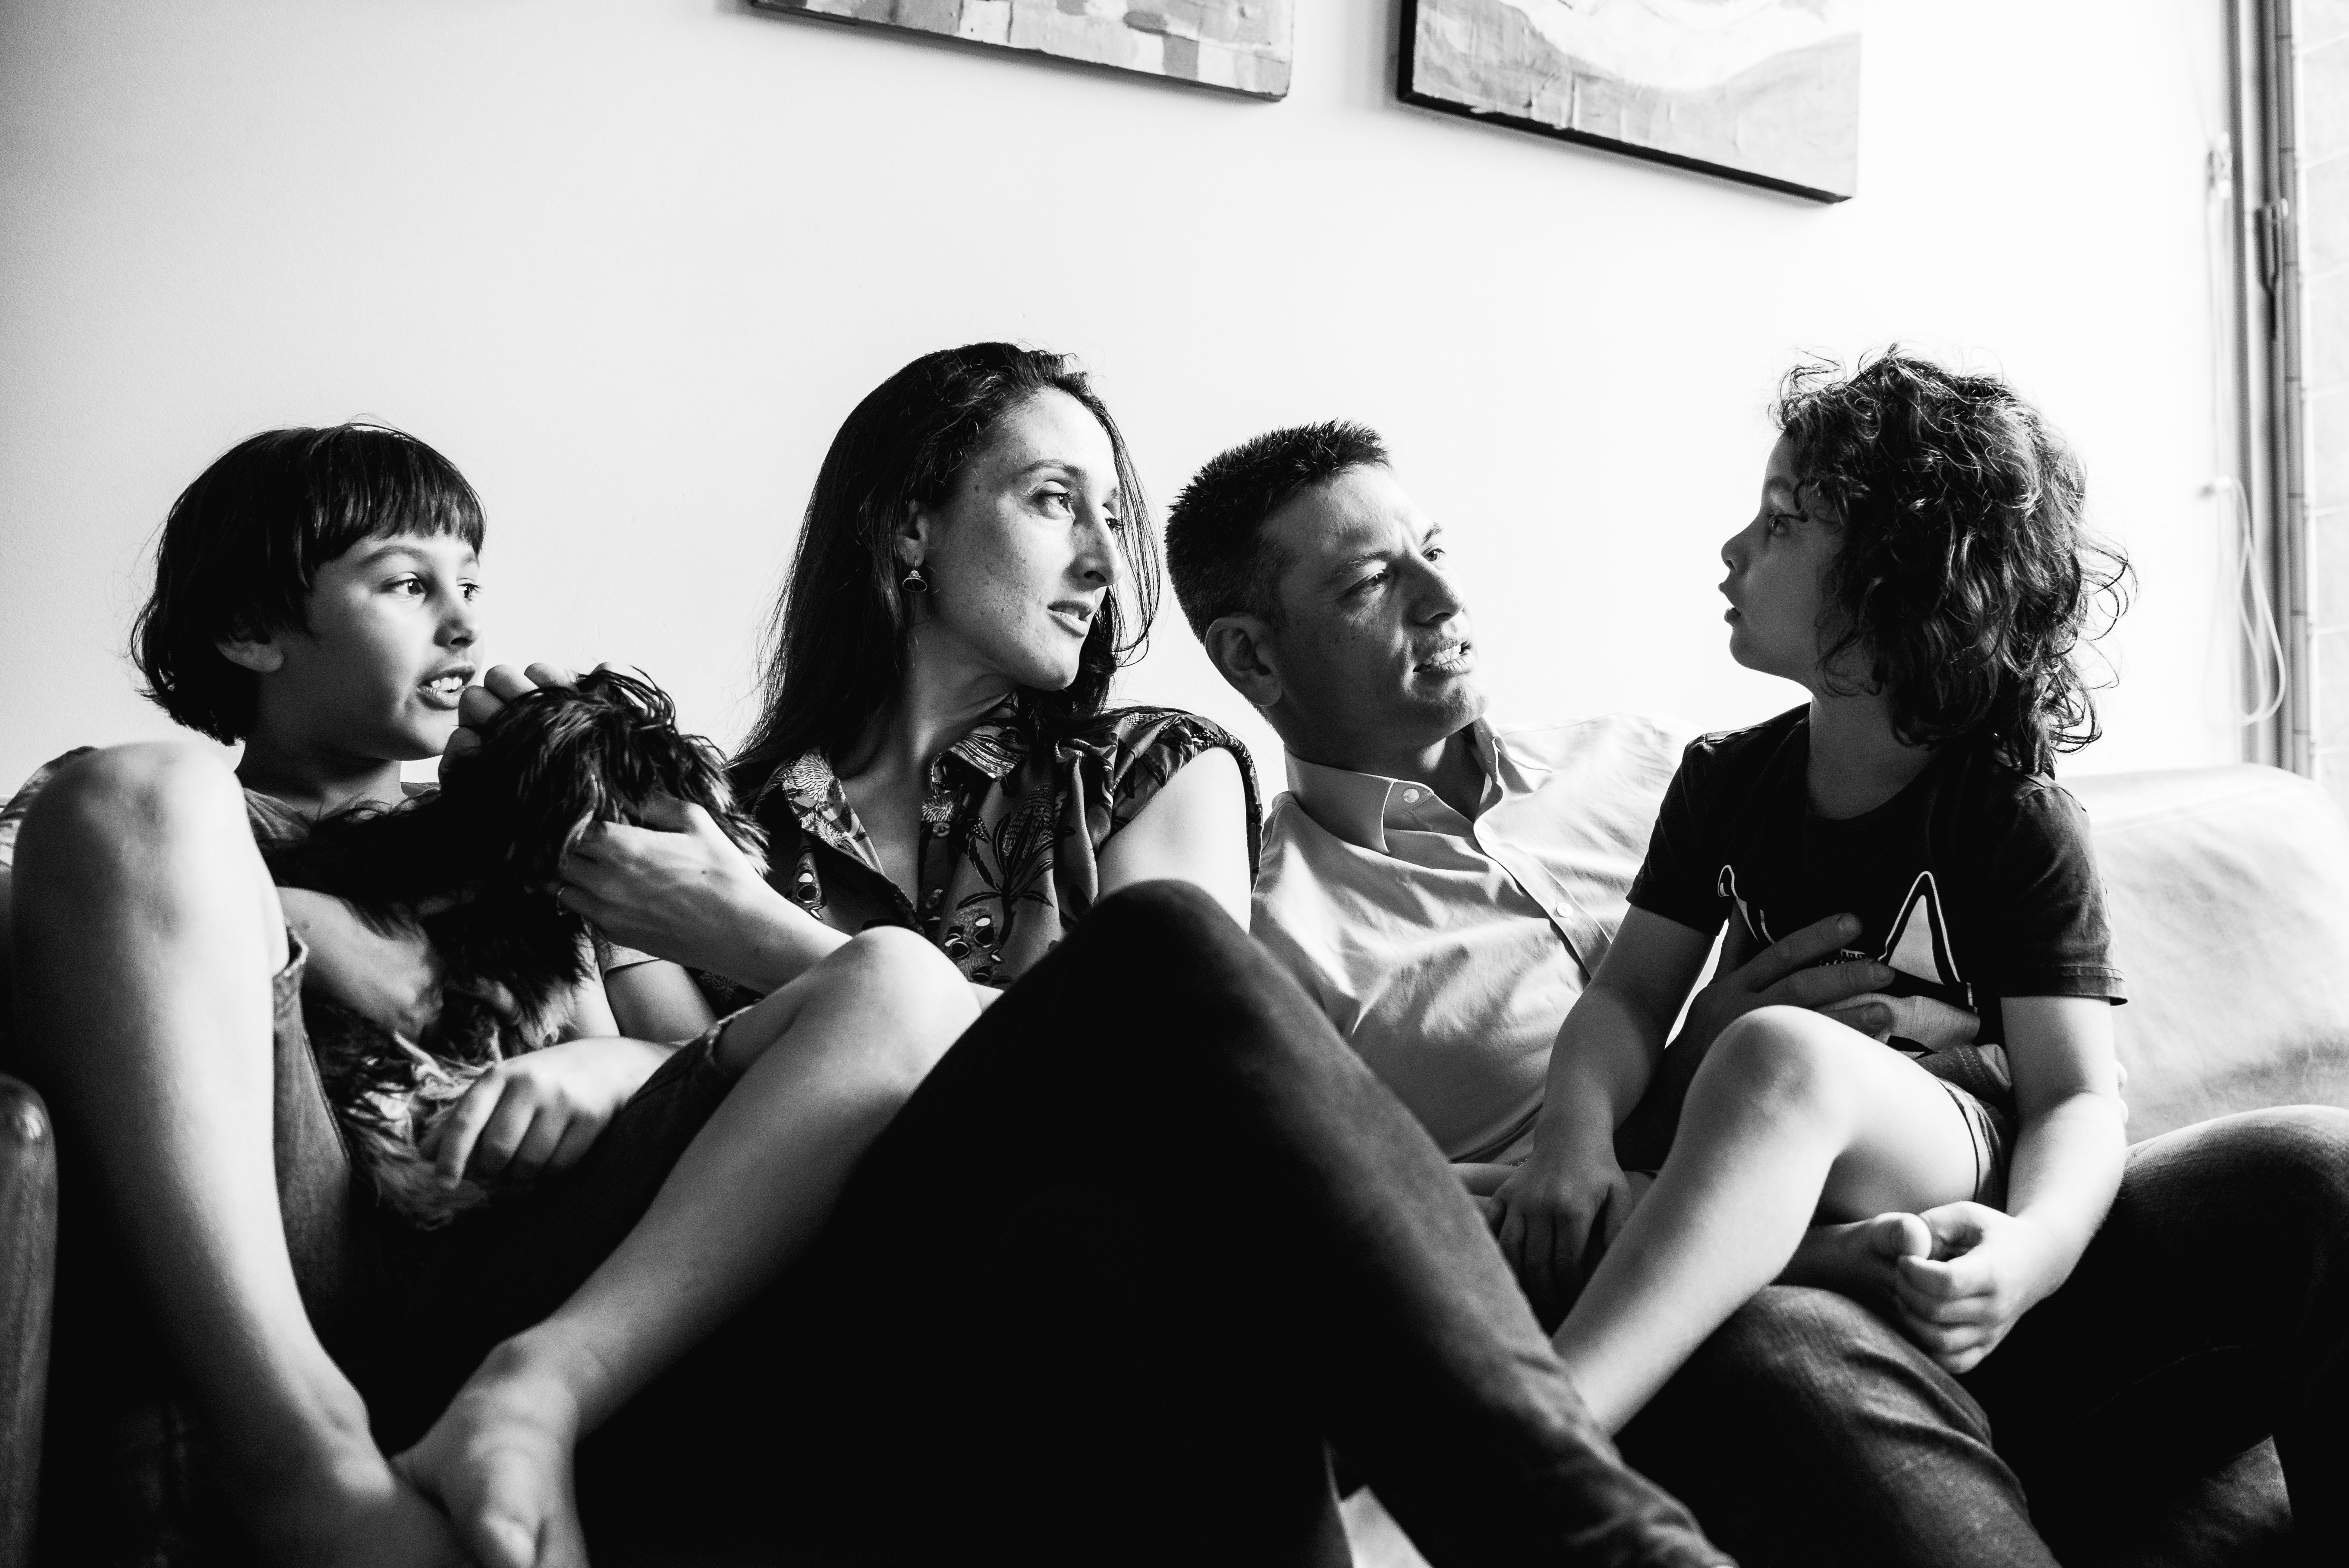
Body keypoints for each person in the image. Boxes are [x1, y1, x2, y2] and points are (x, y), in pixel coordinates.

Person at [12, 361, 1733, 1568]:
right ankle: (1572, 1529)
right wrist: (676, 971)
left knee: (1093, 1167)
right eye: (1053, 498)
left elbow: (1103, 1069)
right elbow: (704, 1072)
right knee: (1029, 1049)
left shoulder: (1133, 768)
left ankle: (1537, 1524)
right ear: (910, 527)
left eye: (1109, 516)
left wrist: (659, 1007)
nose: (1099, 554)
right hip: (616, 1284)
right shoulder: (665, 809)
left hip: (956, 1273)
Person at [1166, 401, 2349, 1565]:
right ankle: (1524, 1451)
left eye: (1434, 552)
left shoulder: (1656, 758)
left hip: (1967, 1225)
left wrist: (2021, 1244)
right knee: (1781, 1310)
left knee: (2314, 1169)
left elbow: (2074, 1088)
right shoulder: (1262, 935)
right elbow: (1414, 1231)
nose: (1443, 599)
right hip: (1727, 1330)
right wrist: (1699, 1062)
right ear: (1251, 655)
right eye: (1373, 583)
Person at [2, 423, 983, 1568]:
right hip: (304, 1235)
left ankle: (529, 1400)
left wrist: (589, 1071)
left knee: (902, 975)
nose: (464, 623)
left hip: (518, 1254)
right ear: (249, 628)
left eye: (469, 584)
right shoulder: (149, 823)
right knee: (135, 782)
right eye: (408, 583)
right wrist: (303, 923)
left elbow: (661, 1053)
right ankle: (295, 1452)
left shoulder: (513, 841)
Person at [1518, 353, 2131, 1433]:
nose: (1731, 550)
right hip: (1765, 1159)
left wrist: (2033, 1251)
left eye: (1781, 523)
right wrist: (1571, 1141)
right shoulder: (1720, 782)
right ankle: (1822, 1259)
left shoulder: (2014, 823)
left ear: (1902, 581)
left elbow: (2077, 1097)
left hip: (1942, 1146)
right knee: (1473, 1189)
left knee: (1773, 1055)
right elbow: (1623, 1002)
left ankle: (1543, 1442)